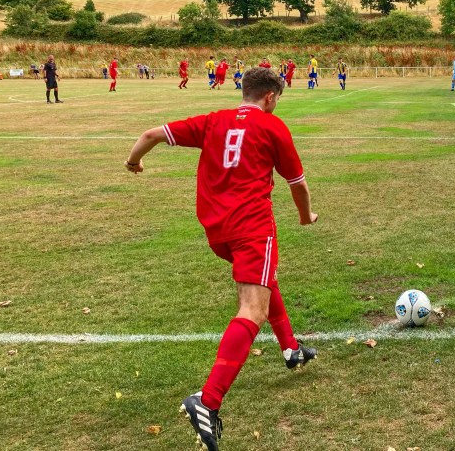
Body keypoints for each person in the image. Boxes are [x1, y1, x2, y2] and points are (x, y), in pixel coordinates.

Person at [124, 67, 318, 451]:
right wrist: (304, 216)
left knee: (263, 279)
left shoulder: (214, 121)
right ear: (270, 98)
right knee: (252, 308)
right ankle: (207, 401)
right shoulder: (272, 126)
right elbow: (298, 184)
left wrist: (133, 163)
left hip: (217, 229)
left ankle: (291, 349)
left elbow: (150, 135)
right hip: (252, 226)